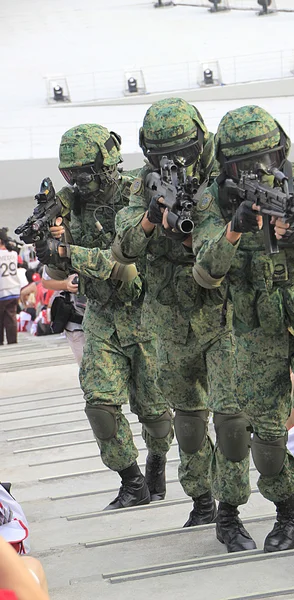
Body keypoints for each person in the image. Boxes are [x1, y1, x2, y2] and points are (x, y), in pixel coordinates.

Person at [191, 105, 294, 568]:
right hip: (254, 334)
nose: (258, 171)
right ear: (226, 166)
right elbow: (205, 273)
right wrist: (234, 230)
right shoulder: (212, 203)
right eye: (244, 164)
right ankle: (286, 513)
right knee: (266, 441)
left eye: (266, 159)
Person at [112, 98, 255, 551]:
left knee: (231, 420)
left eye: (184, 148)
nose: (176, 159)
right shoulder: (145, 184)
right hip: (170, 319)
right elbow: (125, 245)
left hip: (227, 312)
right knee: (191, 423)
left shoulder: (227, 170)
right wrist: (156, 217)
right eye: (162, 152)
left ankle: (230, 512)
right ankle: (202, 500)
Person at [33, 124, 173, 509]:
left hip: (146, 316)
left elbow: (122, 264)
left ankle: (157, 459)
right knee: (99, 403)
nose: (75, 181)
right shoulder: (68, 204)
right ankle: (132, 481)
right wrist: (52, 246)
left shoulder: (141, 192)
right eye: (68, 173)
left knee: (156, 412)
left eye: (82, 172)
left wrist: (67, 253)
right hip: (100, 316)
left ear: (105, 164)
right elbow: (58, 278)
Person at [0, 229, 21, 345]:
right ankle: (13, 342)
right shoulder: (13, 254)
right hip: (13, 289)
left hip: (2, 290)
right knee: (11, 318)